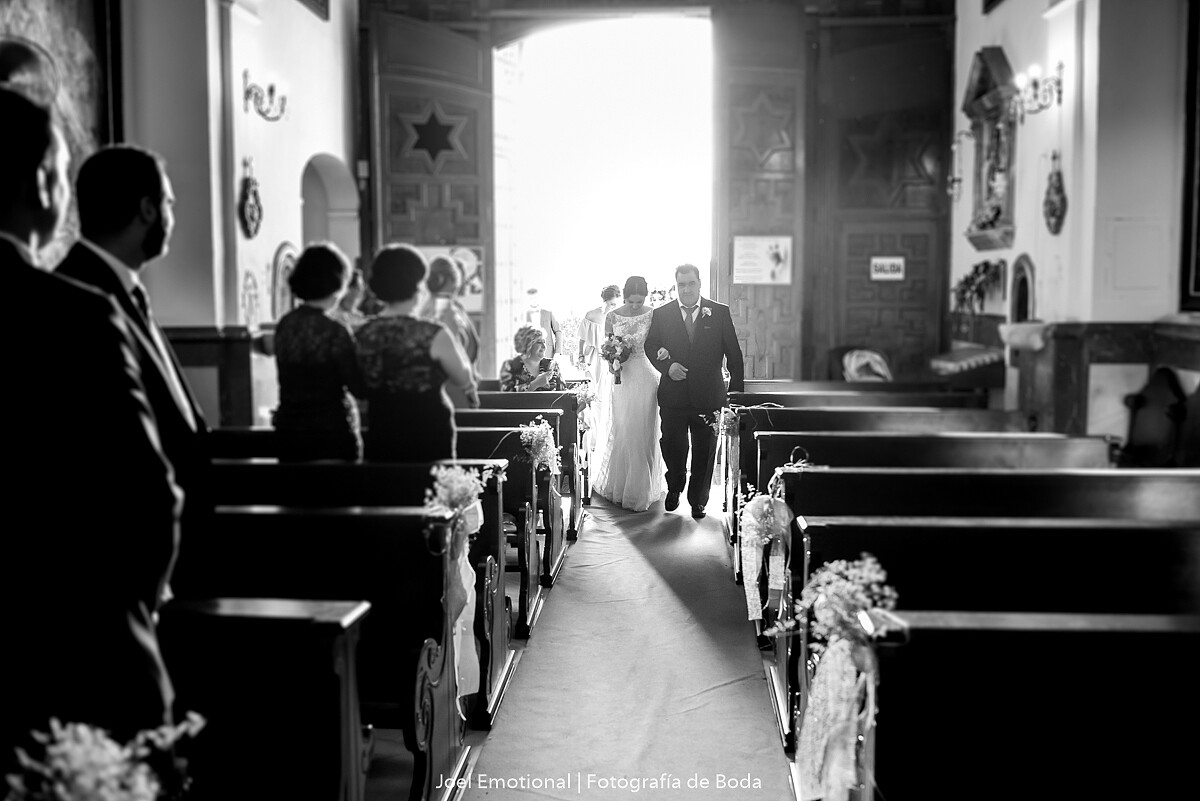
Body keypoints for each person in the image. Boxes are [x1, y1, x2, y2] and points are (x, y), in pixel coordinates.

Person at [0, 89, 182, 764]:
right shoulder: (70, 311)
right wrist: (132, 614)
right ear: (43, 183)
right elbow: (148, 496)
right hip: (67, 644)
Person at [55, 145, 210, 523]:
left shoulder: (124, 289)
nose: (172, 216)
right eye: (168, 203)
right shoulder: (78, 299)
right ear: (147, 210)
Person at [356, 243, 478, 461]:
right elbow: (462, 377)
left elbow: (357, 384)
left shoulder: (363, 333)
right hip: (429, 430)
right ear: (418, 286)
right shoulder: (432, 333)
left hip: (383, 428)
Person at [645, 263, 744, 519]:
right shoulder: (662, 314)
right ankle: (674, 486)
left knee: (705, 451)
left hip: (708, 396)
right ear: (676, 285)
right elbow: (651, 345)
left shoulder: (719, 312)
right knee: (672, 447)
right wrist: (668, 367)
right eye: (681, 284)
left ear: (699, 283)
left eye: (691, 283)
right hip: (673, 396)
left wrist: (736, 397)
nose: (686, 289)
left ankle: (698, 500)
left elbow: (734, 354)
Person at [269, 242, 367, 461]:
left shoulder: (285, 325)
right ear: (337, 283)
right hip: (331, 433)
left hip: (290, 433)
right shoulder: (334, 331)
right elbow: (358, 388)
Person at [590, 275, 667, 512]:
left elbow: (659, 343)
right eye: (631, 301)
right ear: (624, 297)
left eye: (639, 301)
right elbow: (607, 346)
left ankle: (642, 489)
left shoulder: (653, 314)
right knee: (623, 428)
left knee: (644, 430)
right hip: (621, 377)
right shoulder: (612, 316)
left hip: (646, 376)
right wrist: (612, 359)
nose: (635, 306)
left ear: (645, 297)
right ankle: (620, 485)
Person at [423, 255, 480, 407]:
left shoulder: (426, 309)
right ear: (452, 280)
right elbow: (455, 355)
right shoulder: (446, 311)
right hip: (453, 393)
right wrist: (469, 388)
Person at [500, 324, 565, 392]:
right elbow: (506, 395)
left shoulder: (552, 365)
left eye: (544, 342)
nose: (544, 346)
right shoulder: (510, 365)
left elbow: (563, 393)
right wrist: (534, 385)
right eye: (539, 342)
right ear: (527, 345)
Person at [576, 284, 621, 382]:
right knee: (595, 383)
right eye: (611, 304)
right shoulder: (591, 315)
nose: (613, 307)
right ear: (605, 301)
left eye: (615, 305)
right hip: (593, 356)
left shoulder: (617, 317)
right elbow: (582, 338)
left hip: (610, 356)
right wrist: (580, 355)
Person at [524, 287, 562, 360]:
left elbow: (558, 331)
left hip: (547, 353)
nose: (533, 300)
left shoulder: (548, 313)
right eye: (531, 298)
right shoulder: (524, 316)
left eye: (535, 297)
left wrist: (557, 352)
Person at [328, 267, 369, 331]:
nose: (361, 290)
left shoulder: (360, 318)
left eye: (361, 287)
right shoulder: (332, 314)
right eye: (357, 286)